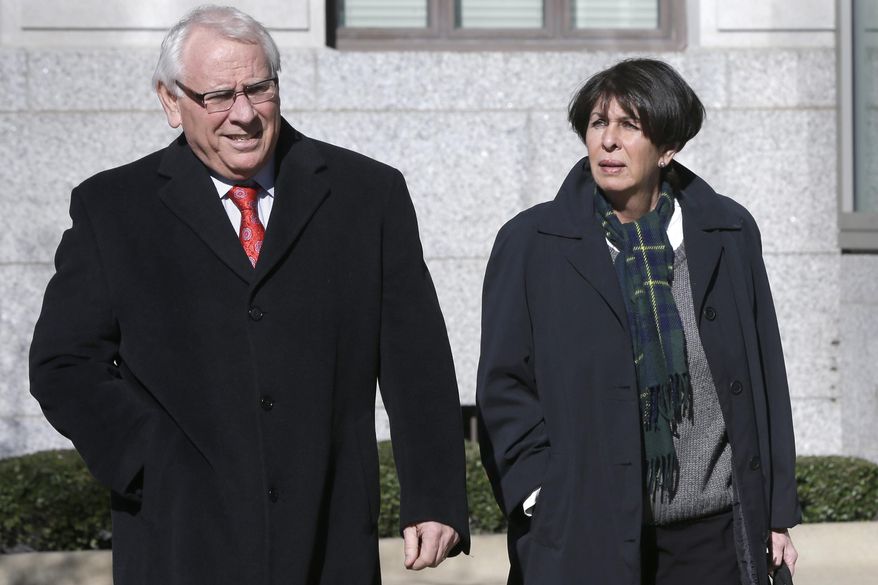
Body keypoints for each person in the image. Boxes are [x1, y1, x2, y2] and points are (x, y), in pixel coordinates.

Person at [29, 6, 469, 584]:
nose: (244, 115)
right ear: (170, 101)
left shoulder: (368, 194)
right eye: (217, 96)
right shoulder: (112, 208)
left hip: (328, 532)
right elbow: (64, 363)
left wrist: (434, 493)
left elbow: (418, 359)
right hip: (178, 539)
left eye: (259, 89)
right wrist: (149, 461)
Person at [476, 58, 800, 585]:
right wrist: (541, 496)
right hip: (586, 531)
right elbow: (503, 384)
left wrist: (776, 511)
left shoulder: (728, 231)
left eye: (630, 125)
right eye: (598, 122)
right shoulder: (532, 242)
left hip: (714, 538)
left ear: (668, 146)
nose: (608, 141)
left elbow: (765, 376)